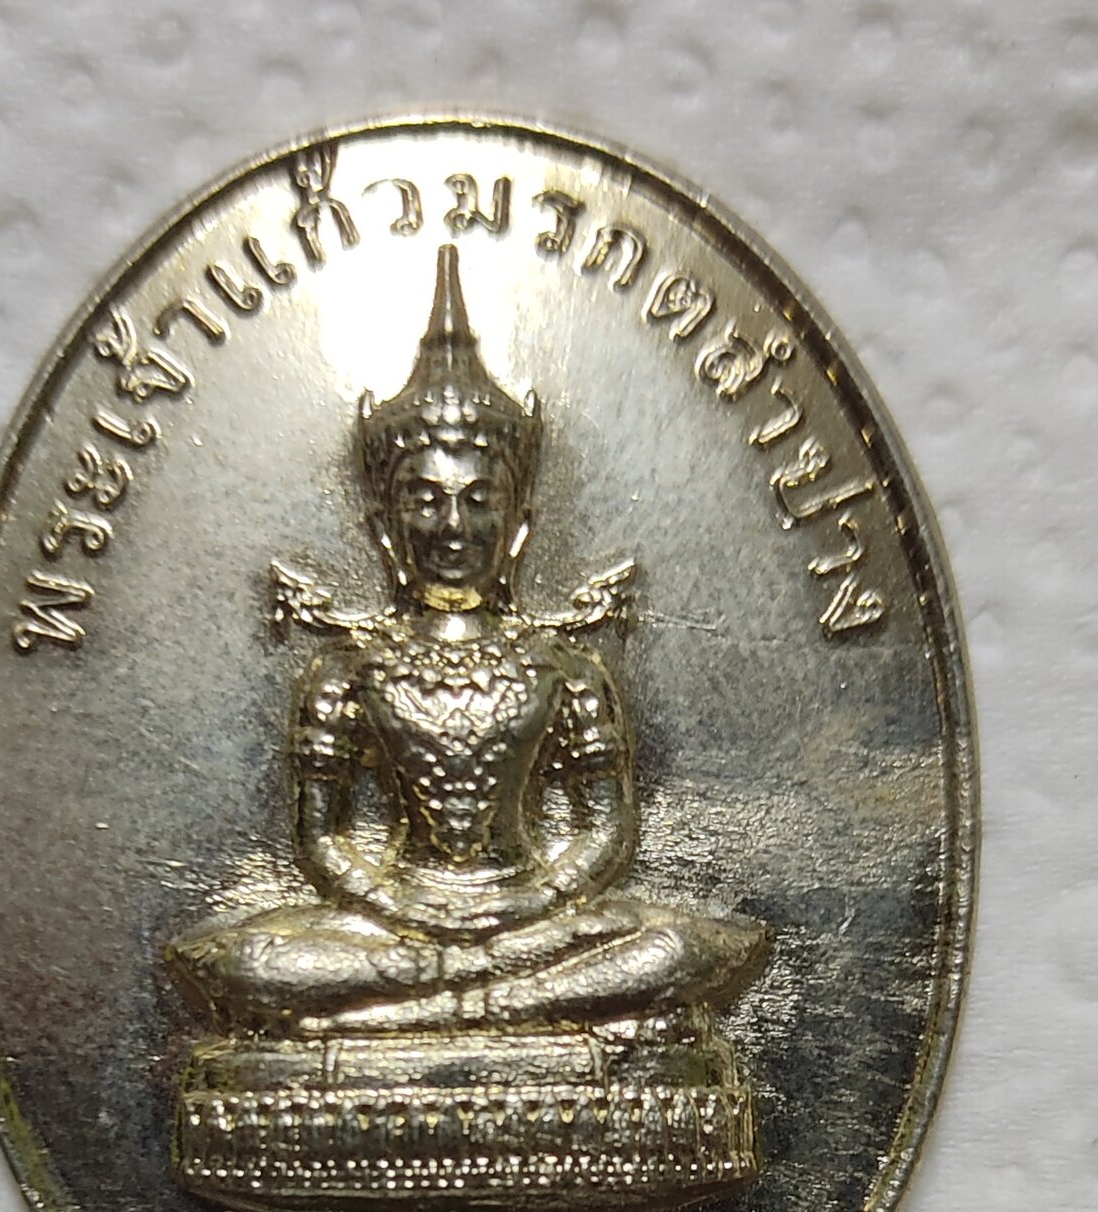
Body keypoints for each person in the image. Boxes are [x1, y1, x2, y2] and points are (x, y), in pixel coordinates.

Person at [167, 246, 764, 1040]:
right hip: (393, 925)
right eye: (424, 500)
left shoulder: (565, 667)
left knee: (676, 947)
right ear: (385, 528)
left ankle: (441, 1009)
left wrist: (530, 902)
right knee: (247, 957)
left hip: (533, 919)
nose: (452, 526)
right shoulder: (346, 670)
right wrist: (403, 908)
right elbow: (322, 839)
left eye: (478, 499)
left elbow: (605, 832)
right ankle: (506, 1000)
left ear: (517, 525)